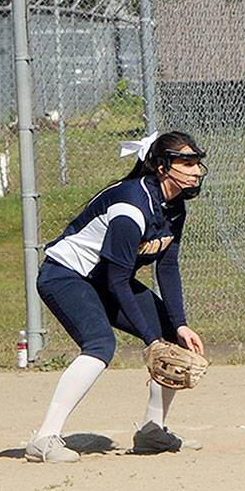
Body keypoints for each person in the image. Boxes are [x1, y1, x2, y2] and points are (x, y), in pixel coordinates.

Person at [25, 131, 207, 462]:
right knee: (100, 344)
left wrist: (178, 324)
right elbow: (118, 280)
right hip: (65, 276)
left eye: (197, 163)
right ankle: (44, 438)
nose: (196, 170)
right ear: (163, 168)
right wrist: (151, 341)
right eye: (187, 163)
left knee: (172, 338)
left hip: (104, 279)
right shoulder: (131, 208)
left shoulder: (173, 206)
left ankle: (152, 430)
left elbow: (167, 267)